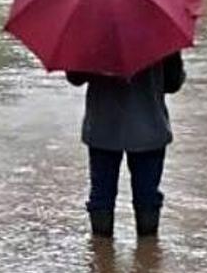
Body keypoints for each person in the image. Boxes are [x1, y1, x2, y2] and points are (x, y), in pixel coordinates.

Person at [67, 52, 185, 239]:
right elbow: (172, 83)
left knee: (101, 197)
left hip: (102, 129)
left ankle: (101, 260)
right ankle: (147, 257)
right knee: (148, 198)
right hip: (149, 127)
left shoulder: (91, 35)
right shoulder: (160, 32)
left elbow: (75, 78)